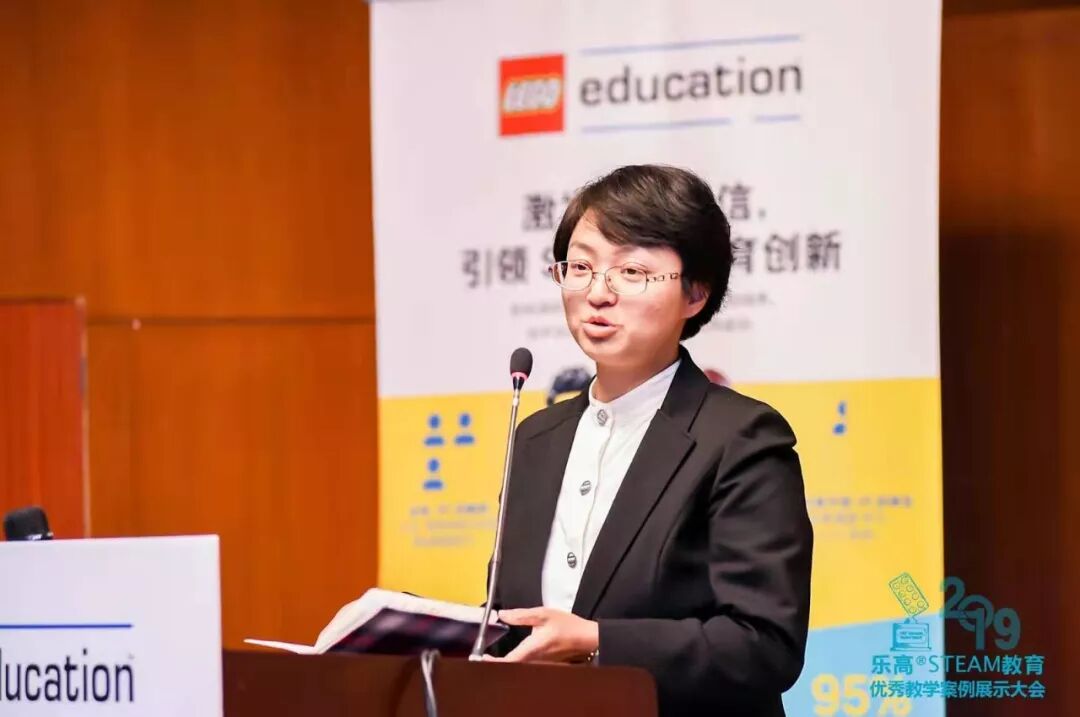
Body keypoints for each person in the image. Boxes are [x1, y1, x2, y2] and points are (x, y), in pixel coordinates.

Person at [485, 165, 813, 717]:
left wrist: (597, 642)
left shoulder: (742, 439)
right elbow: (514, 618)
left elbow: (764, 644)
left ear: (695, 293)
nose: (597, 293)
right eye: (580, 267)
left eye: (631, 271)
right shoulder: (537, 437)